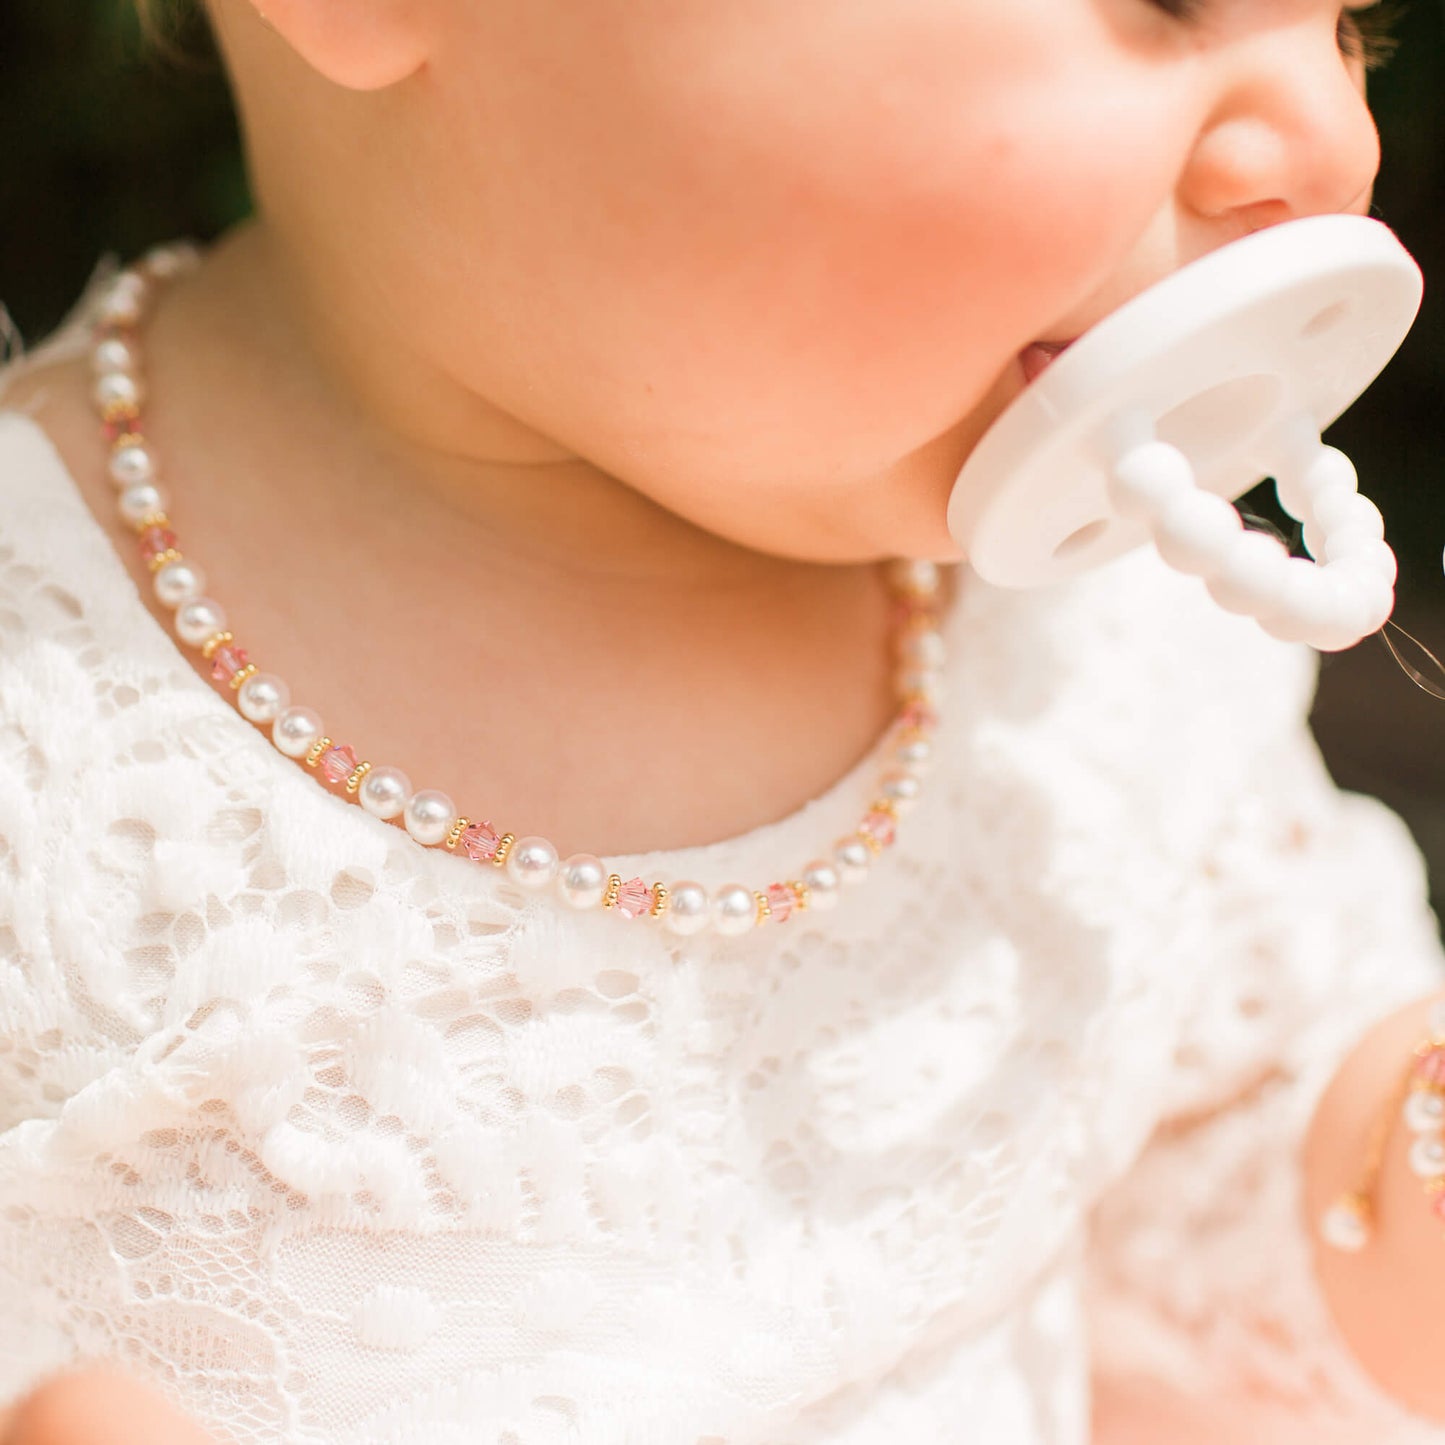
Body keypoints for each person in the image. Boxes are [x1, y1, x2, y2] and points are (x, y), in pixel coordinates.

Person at [0, 0, 1441, 1440]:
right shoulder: (52, 749)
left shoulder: (1093, 641)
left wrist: (1399, 1186)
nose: (1329, 141)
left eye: (1352, 25)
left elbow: (1217, 1208)